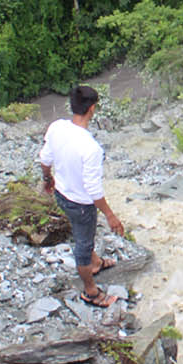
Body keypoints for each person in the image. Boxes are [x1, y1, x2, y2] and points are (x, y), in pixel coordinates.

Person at [38, 85, 125, 307]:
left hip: (61, 195)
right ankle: (90, 291)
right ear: (92, 109)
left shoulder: (57, 127)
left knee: (82, 233)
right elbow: (94, 190)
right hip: (82, 205)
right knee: (83, 246)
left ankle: (96, 262)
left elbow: (45, 159)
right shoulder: (91, 148)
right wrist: (110, 215)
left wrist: (48, 179)